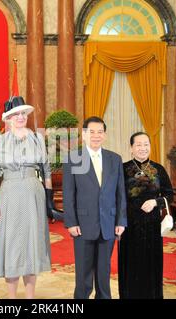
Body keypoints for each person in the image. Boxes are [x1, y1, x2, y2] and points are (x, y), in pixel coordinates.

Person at [0, 96, 54, 299]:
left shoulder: (37, 138)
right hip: (9, 196)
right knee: (12, 244)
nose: (21, 117)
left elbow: (47, 171)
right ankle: (13, 298)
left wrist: (49, 202)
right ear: (8, 118)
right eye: (16, 114)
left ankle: (30, 298)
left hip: (34, 194)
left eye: (23, 113)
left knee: (32, 243)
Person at [63, 116, 127, 299]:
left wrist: (121, 221)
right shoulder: (73, 159)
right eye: (92, 132)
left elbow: (120, 193)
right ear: (84, 135)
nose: (96, 136)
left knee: (103, 274)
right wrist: (71, 222)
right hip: (82, 225)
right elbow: (69, 194)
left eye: (100, 132)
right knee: (83, 275)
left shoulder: (115, 159)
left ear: (105, 135)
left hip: (108, 225)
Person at [118, 132, 174, 299]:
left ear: (150, 146)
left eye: (146, 145)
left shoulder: (158, 169)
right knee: (130, 264)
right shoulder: (122, 168)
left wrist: (156, 202)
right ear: (131, 148)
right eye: (138, 145)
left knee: (151, 264)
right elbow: (116, 196)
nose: (143, 148)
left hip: (152, 225)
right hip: (129, 224)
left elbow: (170, 195)